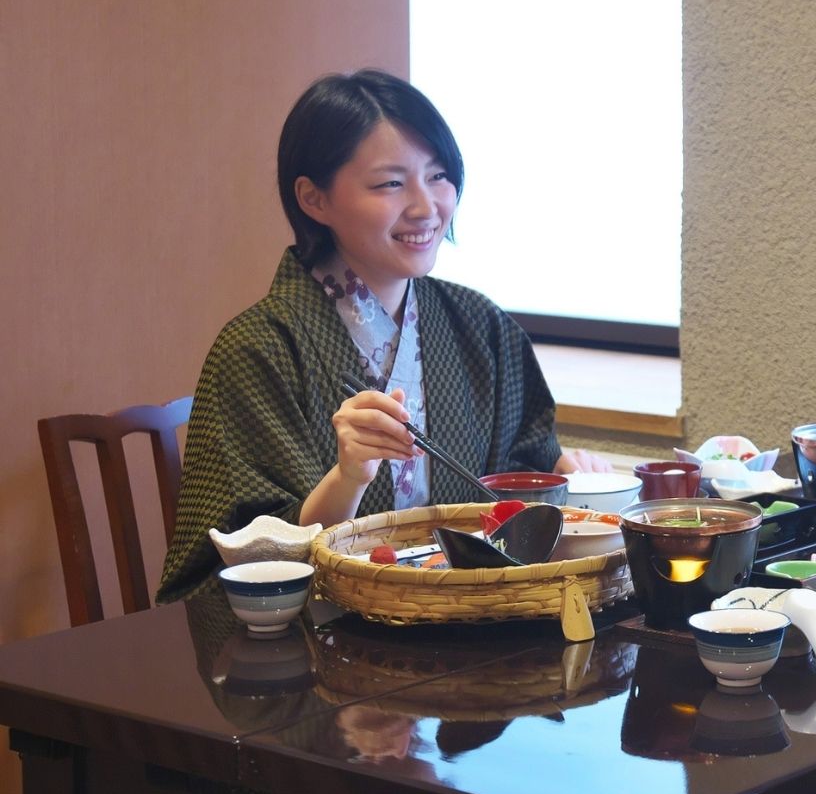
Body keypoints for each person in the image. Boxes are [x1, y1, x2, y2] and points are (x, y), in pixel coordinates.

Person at [159, 69, 607, 601]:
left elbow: (526, 469)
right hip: (328, 647)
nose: (426, 206)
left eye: (439, 175)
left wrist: (568, 471)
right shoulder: (258, 350)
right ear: (314, 199)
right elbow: (251, 558)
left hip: (472, 624)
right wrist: (348, 475)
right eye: (391, 183)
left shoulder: (480, 326)